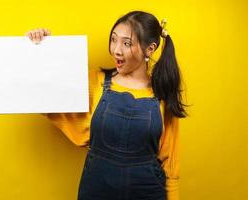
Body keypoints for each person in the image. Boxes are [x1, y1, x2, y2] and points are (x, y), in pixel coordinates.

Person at [26, 10, 187, 200]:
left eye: (126, 43)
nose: (116, 50)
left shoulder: (162, 93)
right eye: (113, 39)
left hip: (148, 193)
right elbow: (43, 97)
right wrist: (43, 48)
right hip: (97, 191)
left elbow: (170, 163)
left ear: (149, 49)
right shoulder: (95, 82)